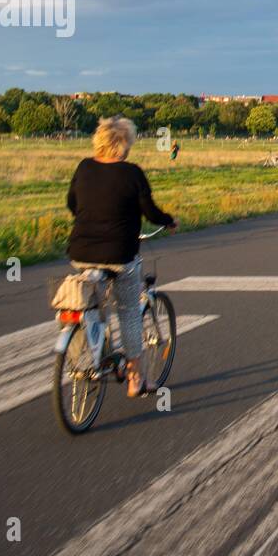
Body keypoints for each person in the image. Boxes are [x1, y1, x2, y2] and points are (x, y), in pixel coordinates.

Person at [66, 117, 177, 397]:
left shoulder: (84, 167)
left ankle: (85, 356)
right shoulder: (132, 173)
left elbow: (72, 203)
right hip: (120, 254)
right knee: (128, 312)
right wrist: (169, 221)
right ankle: (135, 380)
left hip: (81, 253)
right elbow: (150, 212)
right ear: (124, 144)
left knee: (89, 303)